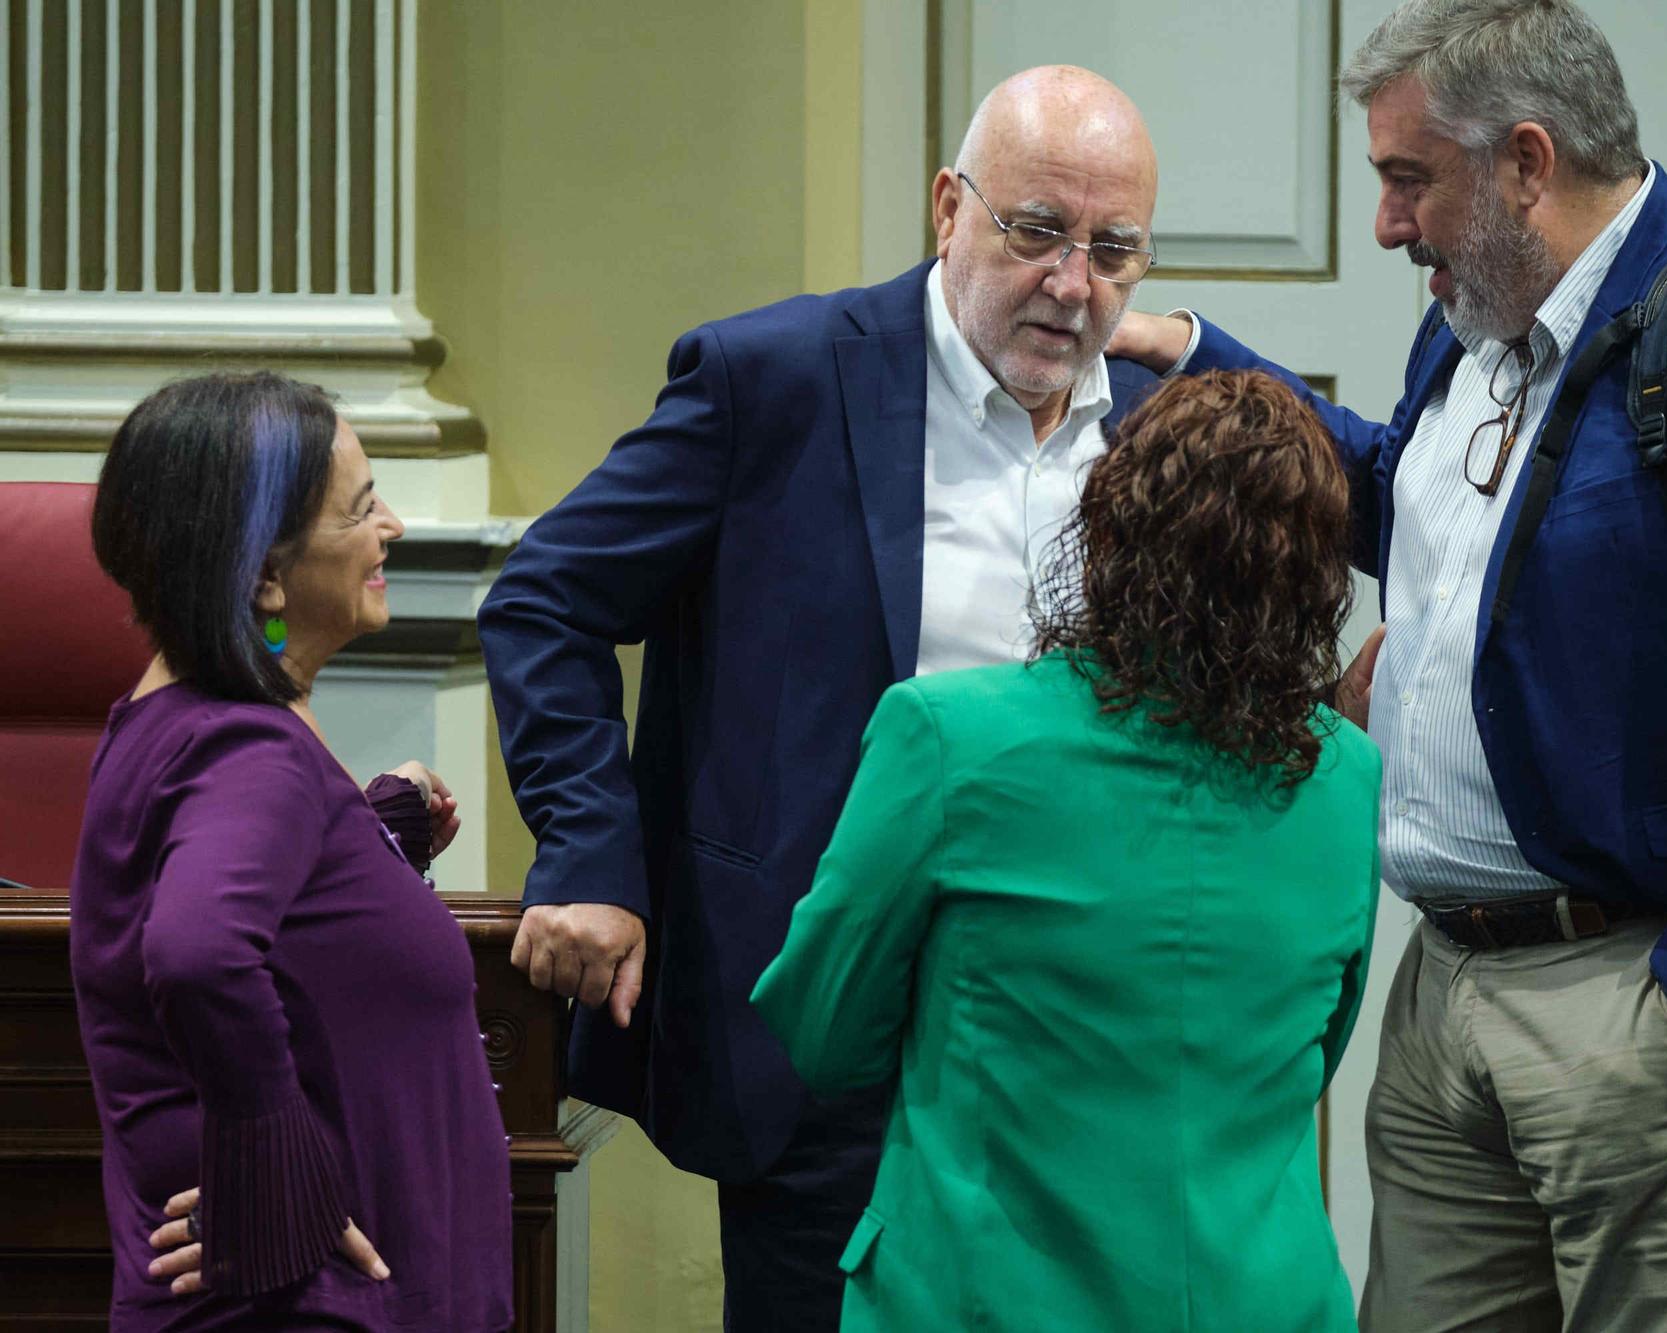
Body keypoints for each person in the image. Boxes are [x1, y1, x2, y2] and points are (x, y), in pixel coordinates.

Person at [1110, 2, 1667, 1328]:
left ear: (1529, 163)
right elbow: (1397, 494)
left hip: (1647, 1003)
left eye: (1409, 180)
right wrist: (1199, 358)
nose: (1385, 225)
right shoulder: (1474, 321)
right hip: (1450, 992)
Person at [477, 65, 1175, 1329]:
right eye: (1034, 233)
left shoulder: (1165, 427)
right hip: (824, 1015)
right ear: (946, 207)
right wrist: (590, 854)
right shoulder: (777, 379)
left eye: (1111, 249)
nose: (1072, 285)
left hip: (1076, 1033)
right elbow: (546, 598)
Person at [748, 368, 1381, 1332]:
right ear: (1314, 578)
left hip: (984, 1298)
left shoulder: (946, 736)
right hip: (1266, 1300)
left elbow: (825, 1031)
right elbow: (1316, 1050)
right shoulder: (1345, 776)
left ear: (1108, 530)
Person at [70, 371, 511, 1331]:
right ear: (267, 574)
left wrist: (363, 834)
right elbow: (197, 951)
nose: (391, 526)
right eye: (360, 510)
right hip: (304, 1304)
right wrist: (277, 1167)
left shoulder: (177, 724)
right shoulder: (249, 749)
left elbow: (291, 948)